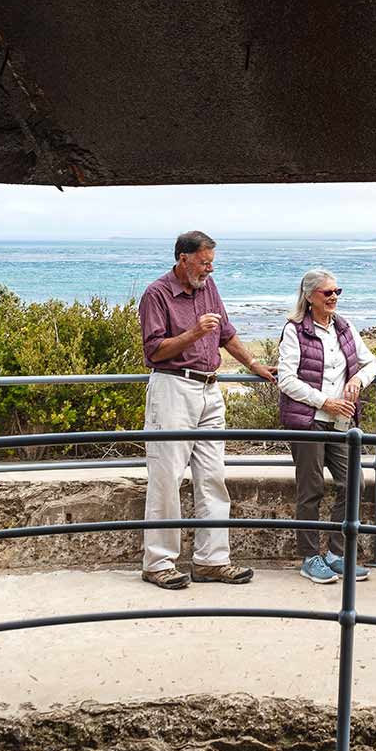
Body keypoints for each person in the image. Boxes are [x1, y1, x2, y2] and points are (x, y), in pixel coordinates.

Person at [137, 231, 275, 590]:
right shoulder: (156, 294)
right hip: (173, 388)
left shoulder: (208, 288)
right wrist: (194, 334)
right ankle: (158, 563)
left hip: (210, 389)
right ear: (183, 259)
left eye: (212, 263)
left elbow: (226, 334)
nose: (210, 269)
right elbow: (153, 351)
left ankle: (212, 560)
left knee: (213, 476)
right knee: (166, 477)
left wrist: (254, 365)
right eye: (204, 262)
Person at [276, 268, 376, 584]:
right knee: (311, 489)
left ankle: (336, 554)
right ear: (310, 297)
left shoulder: (344, 327)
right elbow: (286, 380)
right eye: (328, 292)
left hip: (340, 422)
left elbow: (373, 363)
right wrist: (325, 402)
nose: (334, 297)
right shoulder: (294, 330)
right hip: (307, 422)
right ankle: (310, 557)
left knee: (354, 484)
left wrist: (358, 379)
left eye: (337, 291)